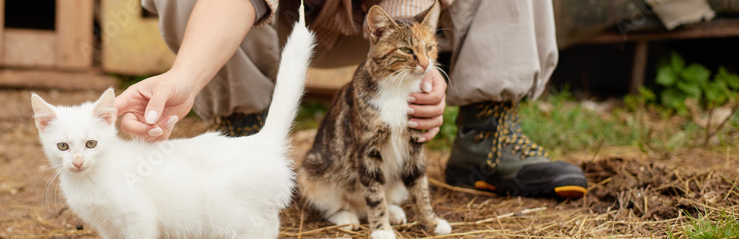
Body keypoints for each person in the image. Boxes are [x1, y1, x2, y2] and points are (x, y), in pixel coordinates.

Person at [114, 0, 588, 199]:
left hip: (385, 24)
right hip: (283, 21)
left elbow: (405, 19)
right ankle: (248, 145)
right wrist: (184, 78)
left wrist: (420, 83)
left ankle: (488, 133)